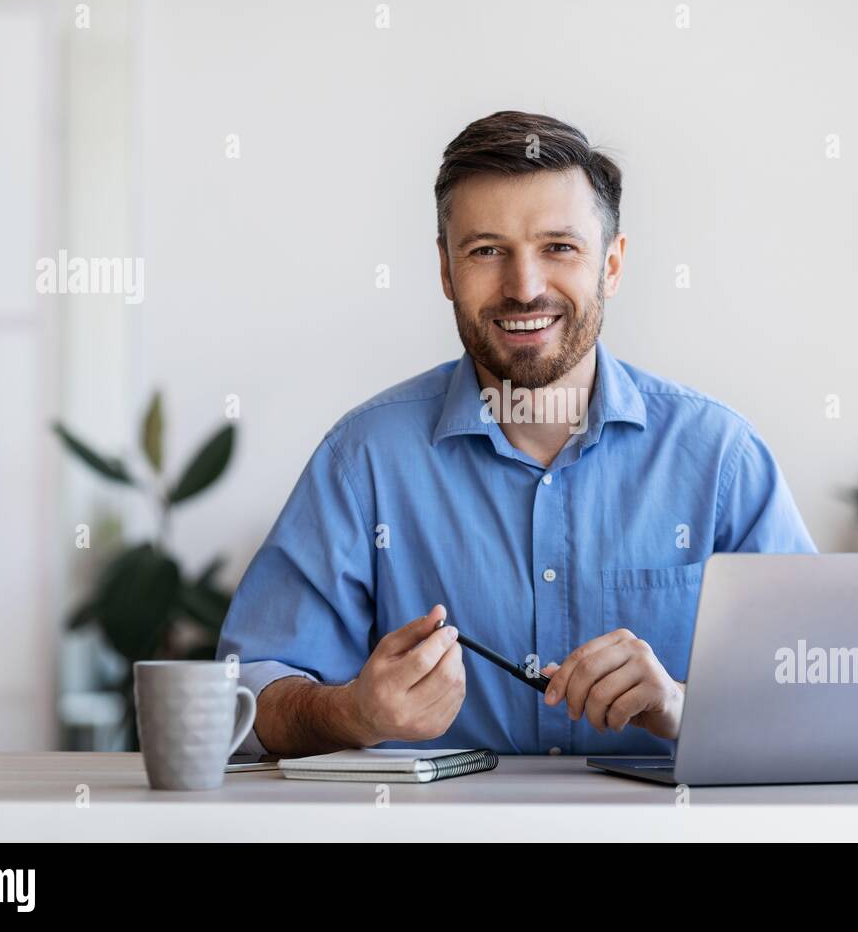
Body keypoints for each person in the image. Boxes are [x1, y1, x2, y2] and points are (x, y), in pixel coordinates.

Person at [217, 110, 817, 757]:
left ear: (611, 265)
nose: (524, 287)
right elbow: (244, 696)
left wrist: (682, 705)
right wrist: (351, 713)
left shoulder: (722, 458)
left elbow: (821, 688)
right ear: (446, 272)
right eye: (486, 251)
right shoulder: (362, 460)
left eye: (559, 247)